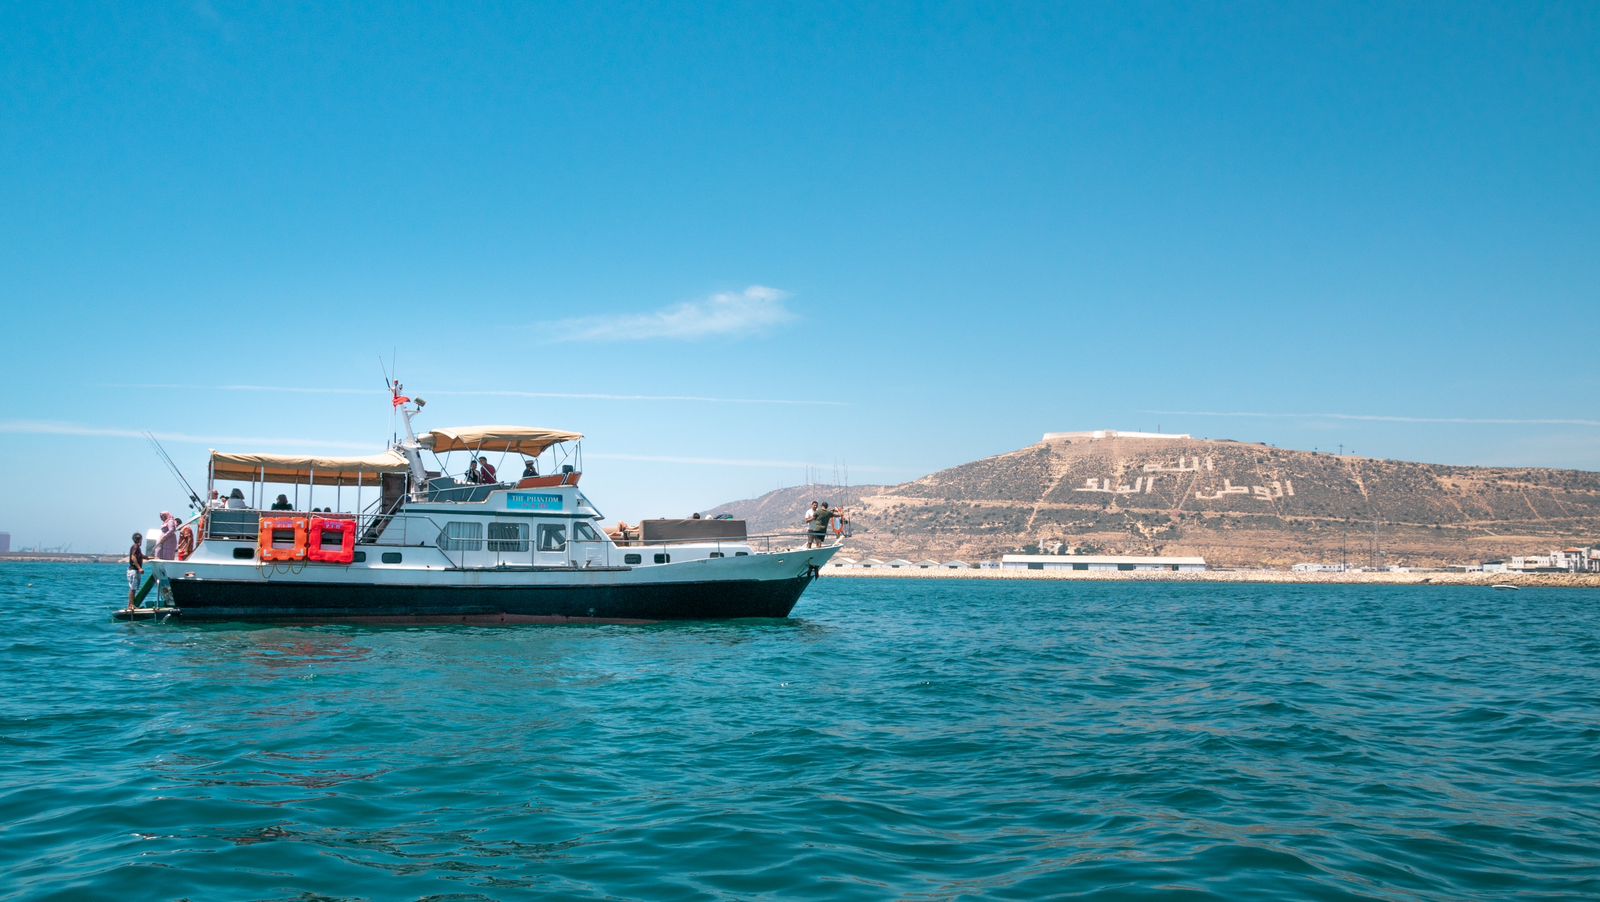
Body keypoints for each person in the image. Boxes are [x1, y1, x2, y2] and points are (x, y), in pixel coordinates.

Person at [126, 531, 147, 610]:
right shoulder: (136, 546)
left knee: (134, 588)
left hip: (134, 570)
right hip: (134, 570)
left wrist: (149, 557)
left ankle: (131, 605)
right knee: (133, 588)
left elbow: (141, 556)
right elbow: (133, 557)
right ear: (140, 539)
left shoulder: (136, 547)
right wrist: (139, 568)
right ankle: (131, 605)